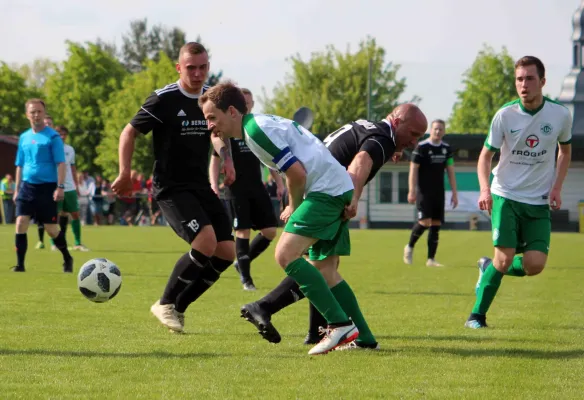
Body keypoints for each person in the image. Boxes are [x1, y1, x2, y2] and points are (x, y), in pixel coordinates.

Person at [199, 84, 426, 355]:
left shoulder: (254, 131)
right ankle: (364, 337)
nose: (209, 124)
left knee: (285, 255)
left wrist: (294, 205)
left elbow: (296, 172)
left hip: (326, 191)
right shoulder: (258, 125)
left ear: (232, 112)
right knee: (325, 269)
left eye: (212, 117)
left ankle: (339, 324)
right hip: (335, 187)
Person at [111, 42, 235, 334]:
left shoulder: (210, 98)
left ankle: (178, 309)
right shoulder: (164, 99)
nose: (197, 73)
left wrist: (226, 157)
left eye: (203, 67)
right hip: (171, 188)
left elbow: (216, 134)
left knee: (226, 252)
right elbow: (129, 132)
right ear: (179, 67)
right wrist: (125, 172)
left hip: (200, 187)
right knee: (205, 242)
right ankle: (165, 303)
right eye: (190, 68)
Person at [465, 56, 572, 329]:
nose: (524, 85)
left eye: (530, 78)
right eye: (519, 79)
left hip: (537, 201)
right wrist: (485, 189)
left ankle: (487, 267)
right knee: (504, 259)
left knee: (535, 265)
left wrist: (557, 186)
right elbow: (485, 156)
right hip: (506, 196)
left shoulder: (560, 114)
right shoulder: (505, 115)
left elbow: (565, 151)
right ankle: (476, 316)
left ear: (543, 82)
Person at [209, 87, 284, 291]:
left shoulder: (256, 128)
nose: (247, 104)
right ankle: (246, 280)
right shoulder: (228, 129)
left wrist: (279, 183)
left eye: (249, 101)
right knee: (242, 232)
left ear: (251, 104)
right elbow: (215, 160)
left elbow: (269, 159)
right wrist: (213, 184)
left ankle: (242, 261)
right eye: (243, 101)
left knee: (269, 231)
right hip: (235, 189)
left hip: (257, 187)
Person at [12, 99, 73, 272]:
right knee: (21, 223)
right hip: (27, 187)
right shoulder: (24, 137)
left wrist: (60, 187)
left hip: (47, 188)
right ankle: (20, 265)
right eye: (33, 112)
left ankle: (67, 258)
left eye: (39, 111)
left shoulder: (53, 137)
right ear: (27, 115)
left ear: (44, 113)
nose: (36, 115)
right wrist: (16, 189)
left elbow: (61, 163)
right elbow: (19, 165)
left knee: (51, 229)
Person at [404, 119, 458, 267]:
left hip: (439, 192)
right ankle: (409, 247)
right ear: (430, 130)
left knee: (436, 224)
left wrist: (454, 193)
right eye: (435, 129)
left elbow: (451, 171)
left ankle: (431, 260)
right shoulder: (421, 147)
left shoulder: (447, 149)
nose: (438, 131)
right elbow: (413, 170)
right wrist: (411, 190)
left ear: (444, 131)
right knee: (424, 222)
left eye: (440, 129)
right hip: (424, 192)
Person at [49, 126, 90, 252]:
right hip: (55, 186)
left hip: (70, 187)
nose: (62, 136)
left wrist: (76, 185)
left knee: (75, 214)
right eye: (59, 133)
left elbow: (72, 168)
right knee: (54, 215)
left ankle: (77, 243)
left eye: (64, 134)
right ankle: (54, 244)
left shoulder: (70, 149)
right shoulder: (49, 148)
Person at [34, 113, 55, 249]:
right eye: (45, 123)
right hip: (37, 184)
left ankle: (55, 243)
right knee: (40, 215)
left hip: (53, 184)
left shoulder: (56, 141)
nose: (47, 126)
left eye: (49, 124)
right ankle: (41, 241)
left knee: (54, 215)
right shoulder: (35, 141)